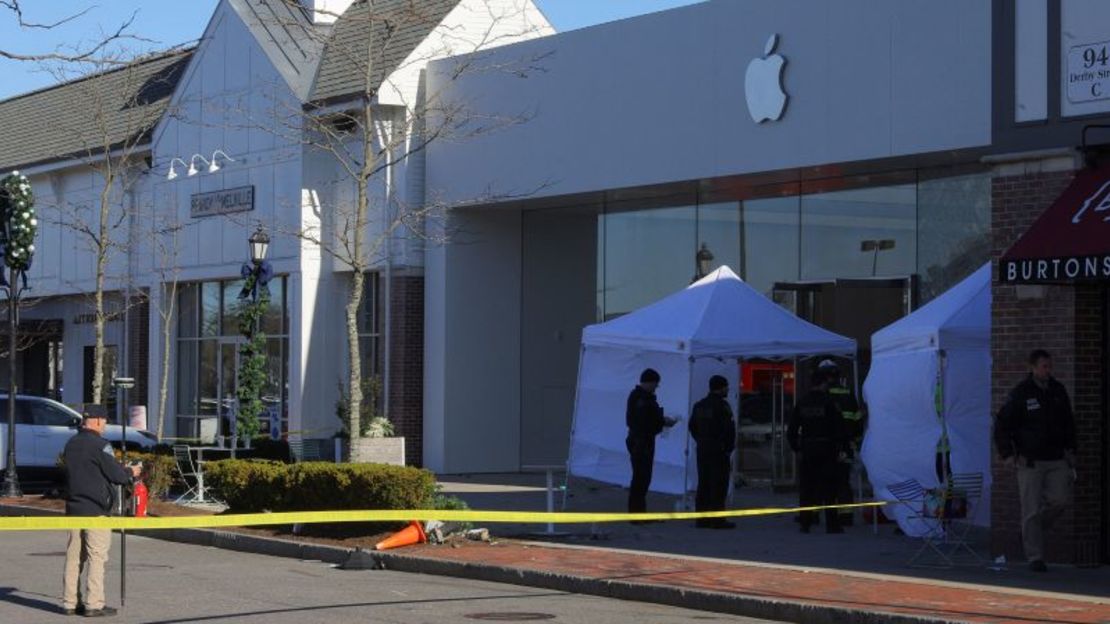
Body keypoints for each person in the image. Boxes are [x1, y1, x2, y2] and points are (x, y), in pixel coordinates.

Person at [994, 349, 1076, 573]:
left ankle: (1032, 530)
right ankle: (1035, 557)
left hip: (1056, 457)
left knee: (1060, 500)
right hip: (1030, 460)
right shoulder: (1021, 393)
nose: (1048, 371)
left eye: (1050, 366)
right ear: (1032, 367)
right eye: (1043, 367)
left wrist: (1071, 449)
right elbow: (1002, 424)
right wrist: (1007, 454)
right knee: (1030, 509)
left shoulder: (1058, 391)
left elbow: (1068, 422)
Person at [61, 404, 141, 617]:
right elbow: (117, 476)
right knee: (97, 557)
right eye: (104, 421)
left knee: (73, 557)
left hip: (74, 507)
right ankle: (93, 603)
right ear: (96, 421)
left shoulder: (71, 443)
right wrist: (131, 471)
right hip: (96, 509)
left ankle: (70, 602)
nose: (105, 425)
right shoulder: (100, 444)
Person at [787, 369, 847, 534]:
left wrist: (797, 448)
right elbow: (839, 428)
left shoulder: (802, 402)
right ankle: (832, 525)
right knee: (829, 489)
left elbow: (791, 430)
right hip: (827, 450)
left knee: (806, 489)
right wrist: (842, 448)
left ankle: (805, 523)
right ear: (823, 383)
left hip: (808, 450)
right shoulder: (829, 402)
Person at [818, 359, 864, 526]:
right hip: (846, 445)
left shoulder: (821, 395)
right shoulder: (848, 393)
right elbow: (858, 421)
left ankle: (823, 516)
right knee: (843, 481)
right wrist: (855, 443)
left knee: (824, 481)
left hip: (825, 445)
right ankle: (846, 516)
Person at [626, 368, 676, 520]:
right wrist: (663, 421)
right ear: (649, 382)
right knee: (641, 478)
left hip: (639, 440)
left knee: (641, 477)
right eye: (655, 383)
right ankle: (637, 514)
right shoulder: (643, 398)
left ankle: (639, 512)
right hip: (642, 441)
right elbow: (644, 420)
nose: (656, 387)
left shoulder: (638, 396)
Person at [689, 375, 736, 529]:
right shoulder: (723, 406)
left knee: (704, 482)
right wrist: (728, 449)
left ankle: (701, 519)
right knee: (719, 484)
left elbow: (692, 426)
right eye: (726, 387)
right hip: (718, 449)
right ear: (721, 388)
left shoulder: (699, 405)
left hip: (703, 448)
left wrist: (701, 440)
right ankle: (717, 520)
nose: (728, 389)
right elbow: (729, 430)